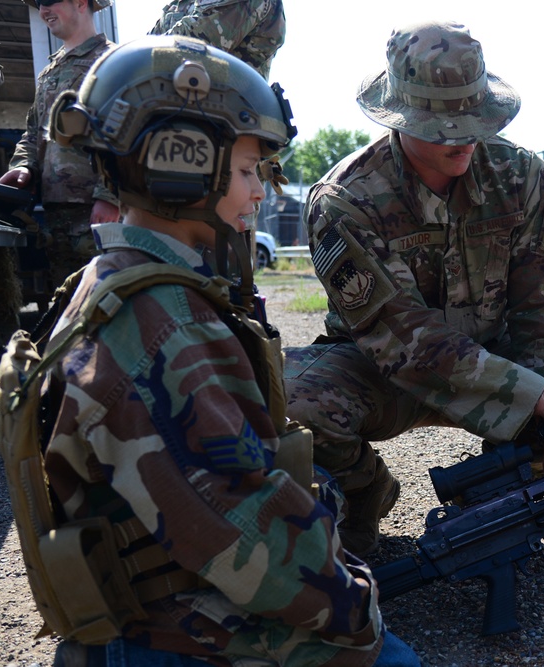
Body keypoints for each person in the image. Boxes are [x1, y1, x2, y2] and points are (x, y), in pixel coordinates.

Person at [40, 35, 418, 665]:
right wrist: (355, 605)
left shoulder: (121, 281)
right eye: (246, 172)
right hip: (168, 631)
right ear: (179, 166)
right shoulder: (157, 323)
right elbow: (240, 526)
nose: (260, 192)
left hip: (146, 604)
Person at [284, 20, 544, 557]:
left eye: (472, 120)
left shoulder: (521, 177)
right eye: (441, 127)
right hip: (386, 372)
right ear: (399, 117)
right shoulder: (347, 199)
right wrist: (543, 399)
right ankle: (364, 491)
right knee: (287, 401)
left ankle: (503, 497)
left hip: (502, 357)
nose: (461, 138)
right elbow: (406, 340)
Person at [0, 0, 120, 292]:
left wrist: (110, 195)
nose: (43, 11)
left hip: (98, 212)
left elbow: (127, 133)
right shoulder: (50, 71)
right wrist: (24, 167)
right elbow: (34, 132)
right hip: (56, 213)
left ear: (80, 2)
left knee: (107, 299)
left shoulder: (113, 62)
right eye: (39, 3)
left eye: (50, 1)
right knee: (68, 302)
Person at [149, 0, 285, 79]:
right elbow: (146, 45)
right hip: (172, 98)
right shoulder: (181, 3)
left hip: (221, 110)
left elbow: (194, 43)